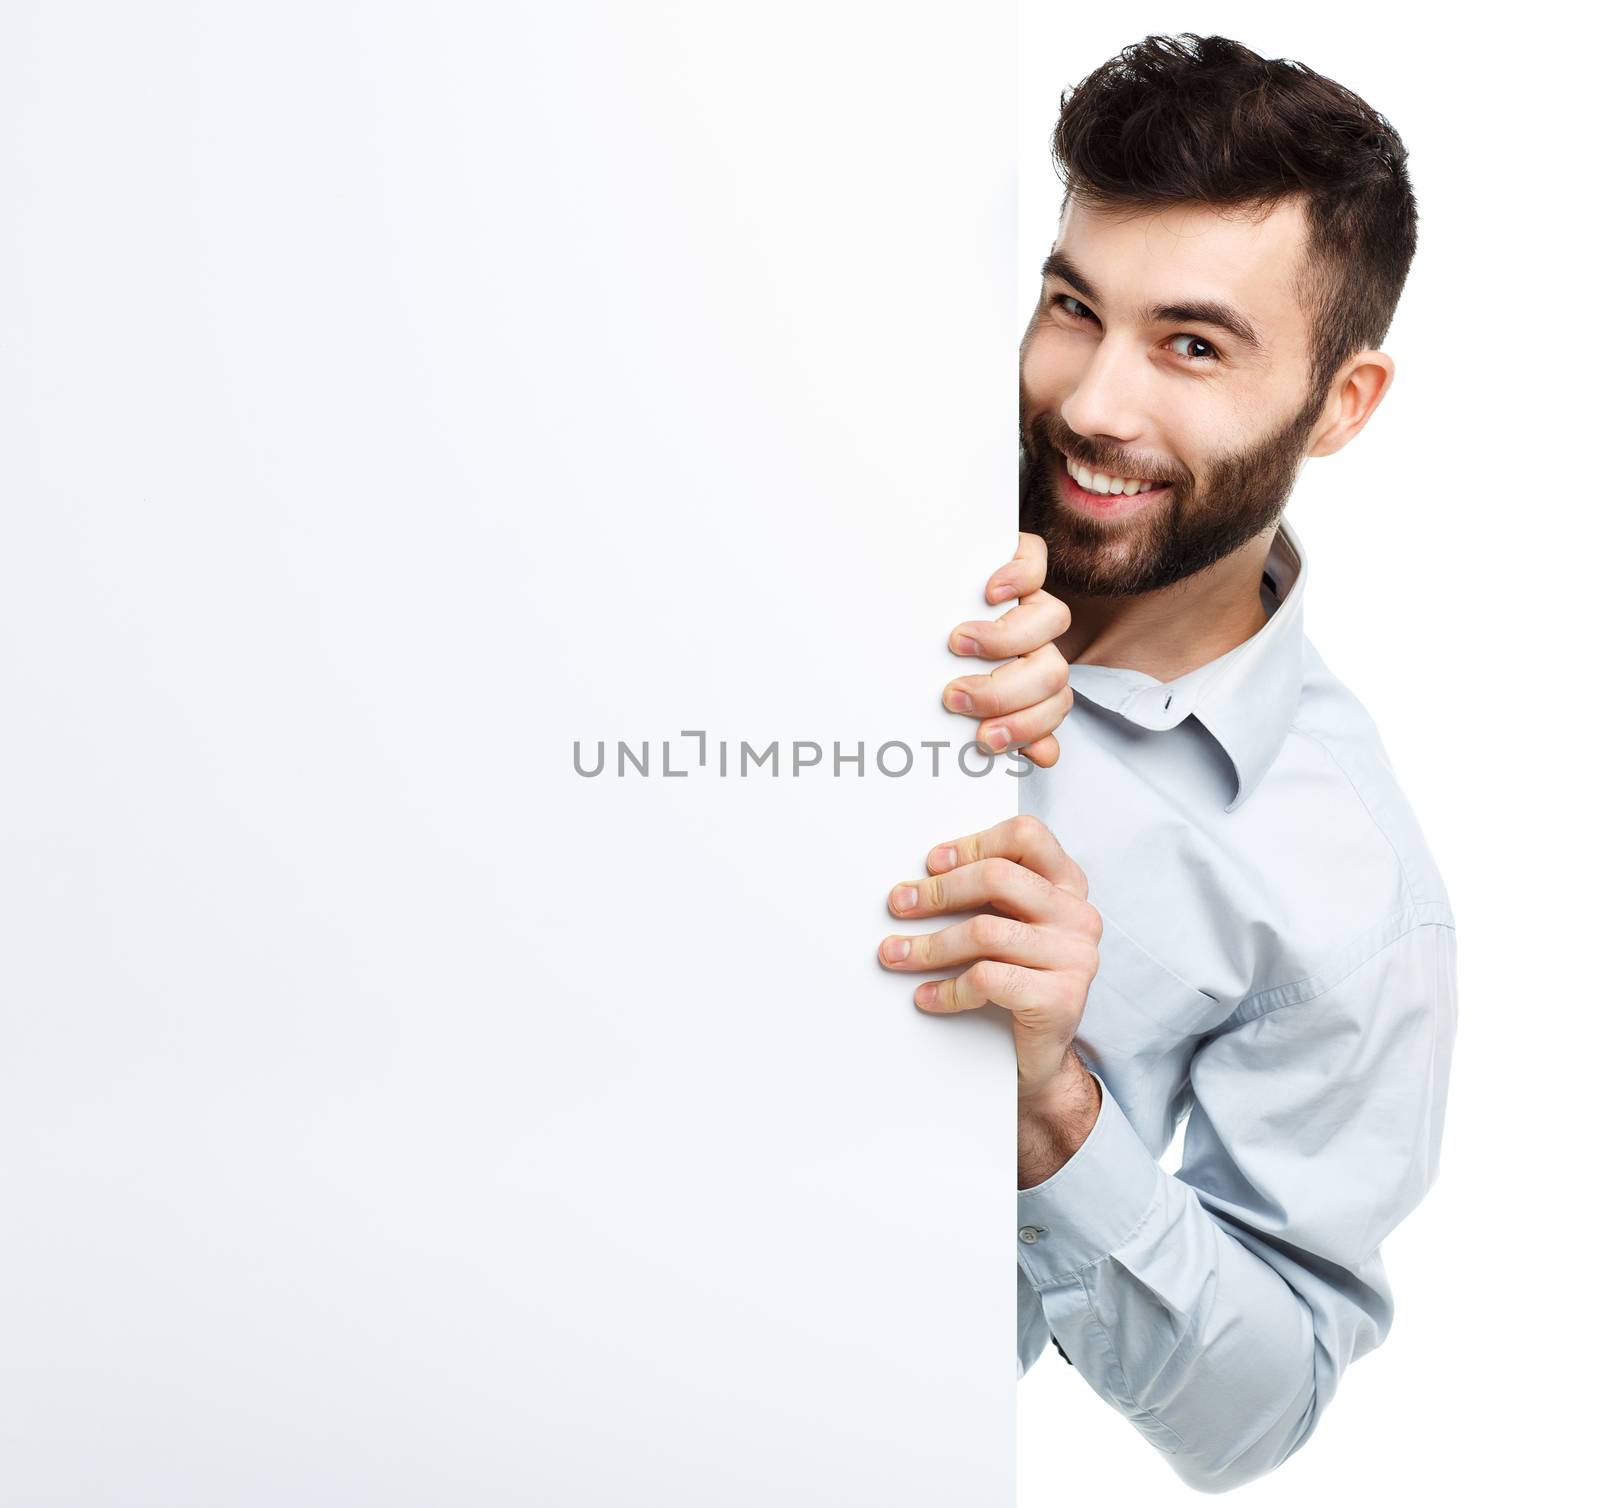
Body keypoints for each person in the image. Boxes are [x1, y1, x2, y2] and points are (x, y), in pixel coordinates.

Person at [877, 34, 1456, 1494]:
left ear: (1344, 403)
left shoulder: (1347, 892)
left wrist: (1048, 1106)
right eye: (1075, 308)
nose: (1092, 406)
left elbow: (1257, 1413)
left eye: (1193, 345)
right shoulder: (851, 490)